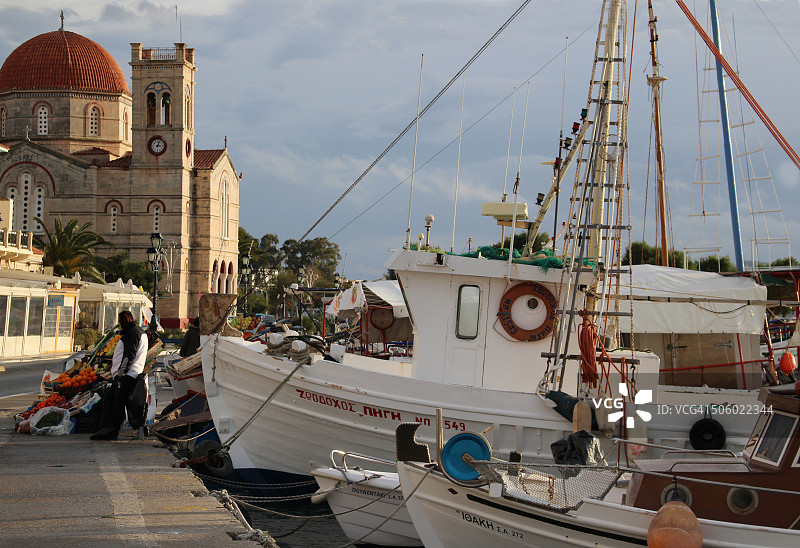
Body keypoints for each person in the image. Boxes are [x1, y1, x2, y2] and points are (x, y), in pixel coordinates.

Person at [90, 311, 148, 441]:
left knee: (117, 403)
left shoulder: (133, 333)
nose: (121, 323)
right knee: (114, 401)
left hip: (127, 375)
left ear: (130, 318)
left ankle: (111, 429)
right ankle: (109, 428)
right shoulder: (135, 332)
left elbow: (129, 356)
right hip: (128, 374)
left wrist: (121, 374)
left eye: (123, 320)